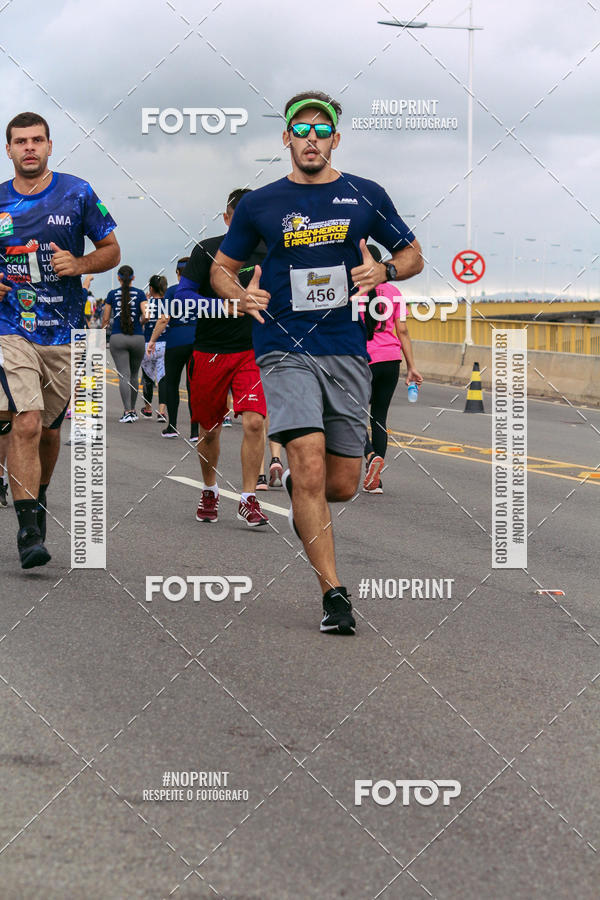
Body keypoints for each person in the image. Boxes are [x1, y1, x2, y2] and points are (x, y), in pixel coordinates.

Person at [211, 91, 423, 632]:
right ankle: (334, 594)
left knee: (341, 483)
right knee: (305, 461)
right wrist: (239, 295)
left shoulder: (365, 194)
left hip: (347, 350)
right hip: (283, 348)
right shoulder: (261, 203)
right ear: (285, 138)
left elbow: (413, 254)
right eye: (299, 130)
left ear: (335, 138)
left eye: (320, 130)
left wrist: (385, 273)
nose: (310, 139)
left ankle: (299, 492)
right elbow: (222, 268)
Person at [0, 111, 119, 568]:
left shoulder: (77, 192)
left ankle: (38, 495)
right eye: (19, 141)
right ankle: (28, 530)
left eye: (36, 140)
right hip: (11, 328)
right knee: (26, 422)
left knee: (50, 431)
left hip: (66, 333)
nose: (29, 148)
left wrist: (81, 265)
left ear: (50, 146)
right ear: (8, 150)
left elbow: (111, 250)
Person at [176, 188, 269, 527]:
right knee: (210, 430)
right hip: (210, 352)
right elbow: (184, 297)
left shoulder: (271, 251)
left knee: (255, 421)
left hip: (252, 352)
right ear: (228, 217)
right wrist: (230, 304)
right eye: (240, 215)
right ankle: (210, 489)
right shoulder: (207, 250)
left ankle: (248, 498)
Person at [362, 245, 423, 494]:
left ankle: (369, 457)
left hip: (362, 361)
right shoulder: (395, 292)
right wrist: (412, 367)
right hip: (391, 360)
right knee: (379, 418)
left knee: (350, 415)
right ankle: (377, 479)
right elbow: (404, 331)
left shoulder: (356, 291)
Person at [147, 257, 196, 440]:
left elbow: (164, 319)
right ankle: (195, 431)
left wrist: (152, 340)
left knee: (172, 384)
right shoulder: (199, 290)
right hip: (196, 341)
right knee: (194, 387)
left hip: (175, 341)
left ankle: (173, 426)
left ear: (178, 273)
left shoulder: (173, 292)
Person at [103, 265, 147, 423]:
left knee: (123, 375)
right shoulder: (141, 294)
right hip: (137, 337)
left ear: (118, 278)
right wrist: (140, 322)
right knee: (135, 375)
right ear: (133, 278)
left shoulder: (112, 294)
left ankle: (127, 410)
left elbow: (106, 319)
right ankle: (133, 410)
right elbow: (147, 315)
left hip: (118, 337)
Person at [140, 274, 168, 422]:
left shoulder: (148, 304)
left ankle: (148, 408)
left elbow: (144, 319)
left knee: (147, 376)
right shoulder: (169, 303)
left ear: (150, 288)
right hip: (164, 343)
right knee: (163, 377)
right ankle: (162, 411)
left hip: (148, 343)